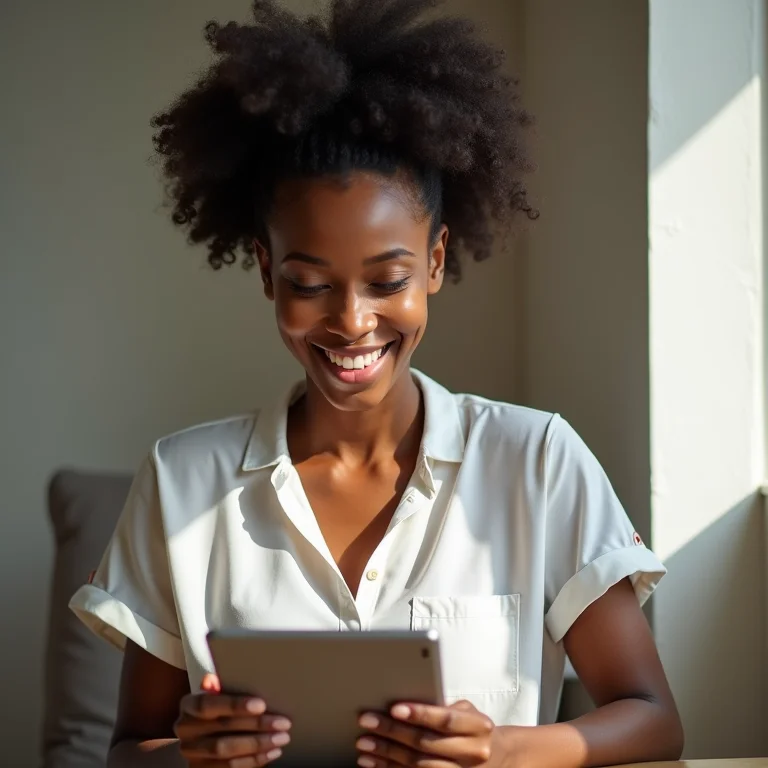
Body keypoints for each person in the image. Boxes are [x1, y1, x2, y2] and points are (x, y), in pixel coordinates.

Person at [70, 1, 684, 766]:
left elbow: (653, 718)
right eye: (310, 283)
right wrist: (190, 757)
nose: (352, 322)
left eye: (387, 279)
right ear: (266, 270)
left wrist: (502, 750)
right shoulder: (180, 483)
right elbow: (131, 750)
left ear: (434, 262)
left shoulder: (538, 461)